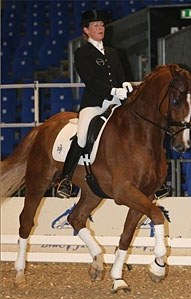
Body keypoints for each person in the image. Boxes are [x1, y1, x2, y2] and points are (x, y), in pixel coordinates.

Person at [56, 9, 133, 198]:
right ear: (86, 30)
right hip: (95, 103)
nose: (100, 28)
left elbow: (121, 76)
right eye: (96, 25)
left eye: (102, 25)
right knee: (82, 136)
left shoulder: (114, 53)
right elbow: (91, 81)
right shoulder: (82, 53)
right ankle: (65, 179)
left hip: (116, 102)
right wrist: (113, 90)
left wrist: (125, 84)